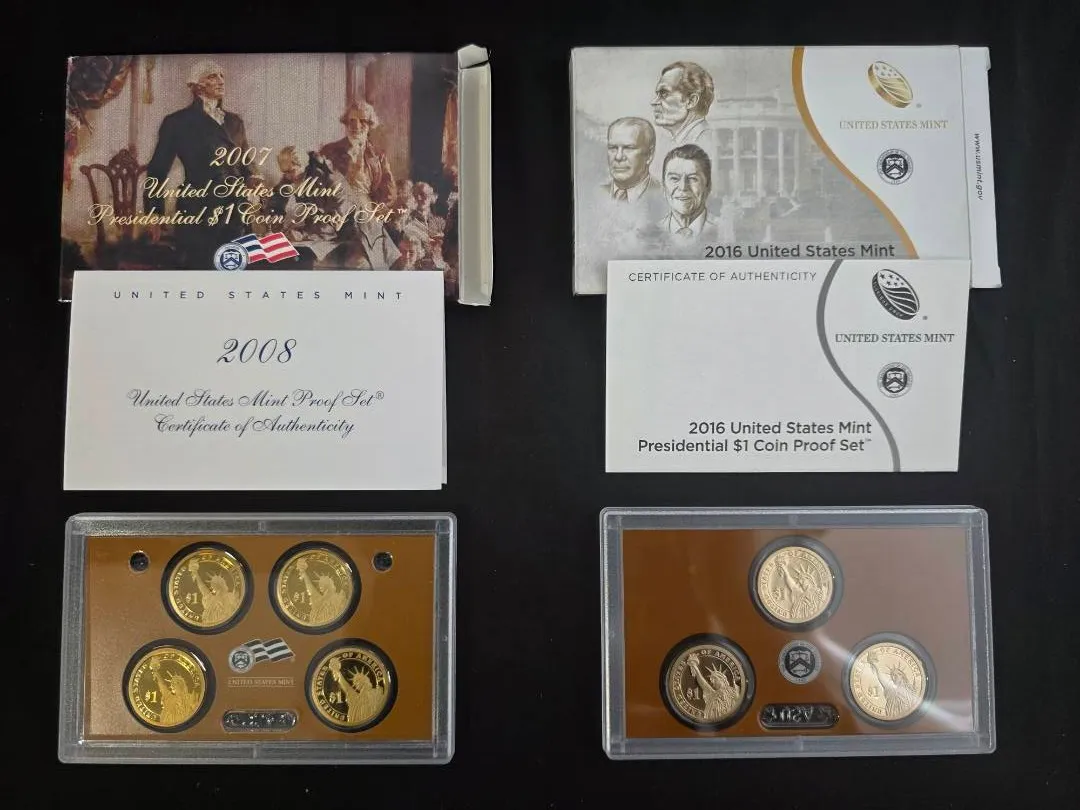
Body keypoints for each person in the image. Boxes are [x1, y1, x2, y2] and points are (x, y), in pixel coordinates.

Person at [143, 60, 251, 268]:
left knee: (233, 272)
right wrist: (154, 214)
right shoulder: (178, 122)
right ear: (197, 86)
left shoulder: (235, 121)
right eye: (212, 76)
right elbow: (157, 170)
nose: (221, 81)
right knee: (201, 270)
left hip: (235, 210)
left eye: (222, 76)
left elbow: (245, 162)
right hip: (199, 211)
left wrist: (254, 176)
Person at [319, 101, 399, 268]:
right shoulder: (329, 151)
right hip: (335, 211)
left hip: (366, 212)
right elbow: (317, 187)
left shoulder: (377, 155)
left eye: (362, 121)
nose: (356, 126)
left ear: (370, 125)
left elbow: (389, 192)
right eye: (352, 121)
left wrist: (376, 208)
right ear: (345, 123)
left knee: (361, 262)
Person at [657, 144, 720, 244]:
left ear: (708, 186)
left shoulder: (726, 231)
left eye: (693, 178)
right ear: (664, 187)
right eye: (674, 178)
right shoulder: (650, 234)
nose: (683, 187)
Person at [650, 61, 715, 150]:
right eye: (657, 94)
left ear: (691, 101)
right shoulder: (682, 142)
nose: (653, 102)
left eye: (664, 93)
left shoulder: (704, 142)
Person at [602, 117, 664, 207]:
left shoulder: (666, 197)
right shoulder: (593, 195)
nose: (618, 157)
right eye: (613, 148)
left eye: (628, 148)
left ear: (649, 155)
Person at [687, 653, 739, 722]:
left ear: (722, 679)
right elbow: (703, 683)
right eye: (711, 680)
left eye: (715, 679)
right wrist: (695, 667)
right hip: (714, 720)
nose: (712, 682)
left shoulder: (733, 692)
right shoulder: (713, 694)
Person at [328, 658, 381, 725]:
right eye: (354, 683)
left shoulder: (374, 693)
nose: (355, 685)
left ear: (362, 681)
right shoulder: (358, 697)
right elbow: (348, 689)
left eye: (356, 682)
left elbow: (348, 690)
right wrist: (338, 673)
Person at [187, 559, 240, 626]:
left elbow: (203, 588)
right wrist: (196, 573)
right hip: (211, 623)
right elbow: (203, 588)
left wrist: (196, 573)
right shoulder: (212, 598)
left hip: (221, 623)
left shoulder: (229, 596)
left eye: (218, 584)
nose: (215, 587)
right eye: (215, 585)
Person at [296, 557, 347, 625]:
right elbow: (312, 590)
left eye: (323, 584)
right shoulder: (320, 600)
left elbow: (312, 591)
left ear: (328, 585)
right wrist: (304, 573)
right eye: (320, 584)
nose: (320, 586)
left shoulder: (339, 598)